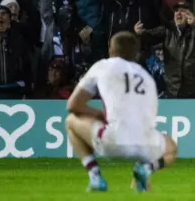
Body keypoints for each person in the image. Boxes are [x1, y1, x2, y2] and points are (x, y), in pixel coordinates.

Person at [65, 31, 177, 192]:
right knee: (171, 147)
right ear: (136, 53)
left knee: (71, 121)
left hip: (113, 140)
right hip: (143, 143)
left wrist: (97, 114)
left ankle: (95, 176)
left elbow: (73, 104)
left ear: (111, 50)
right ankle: (144, 170)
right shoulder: (146, 76)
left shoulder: (103, 66)